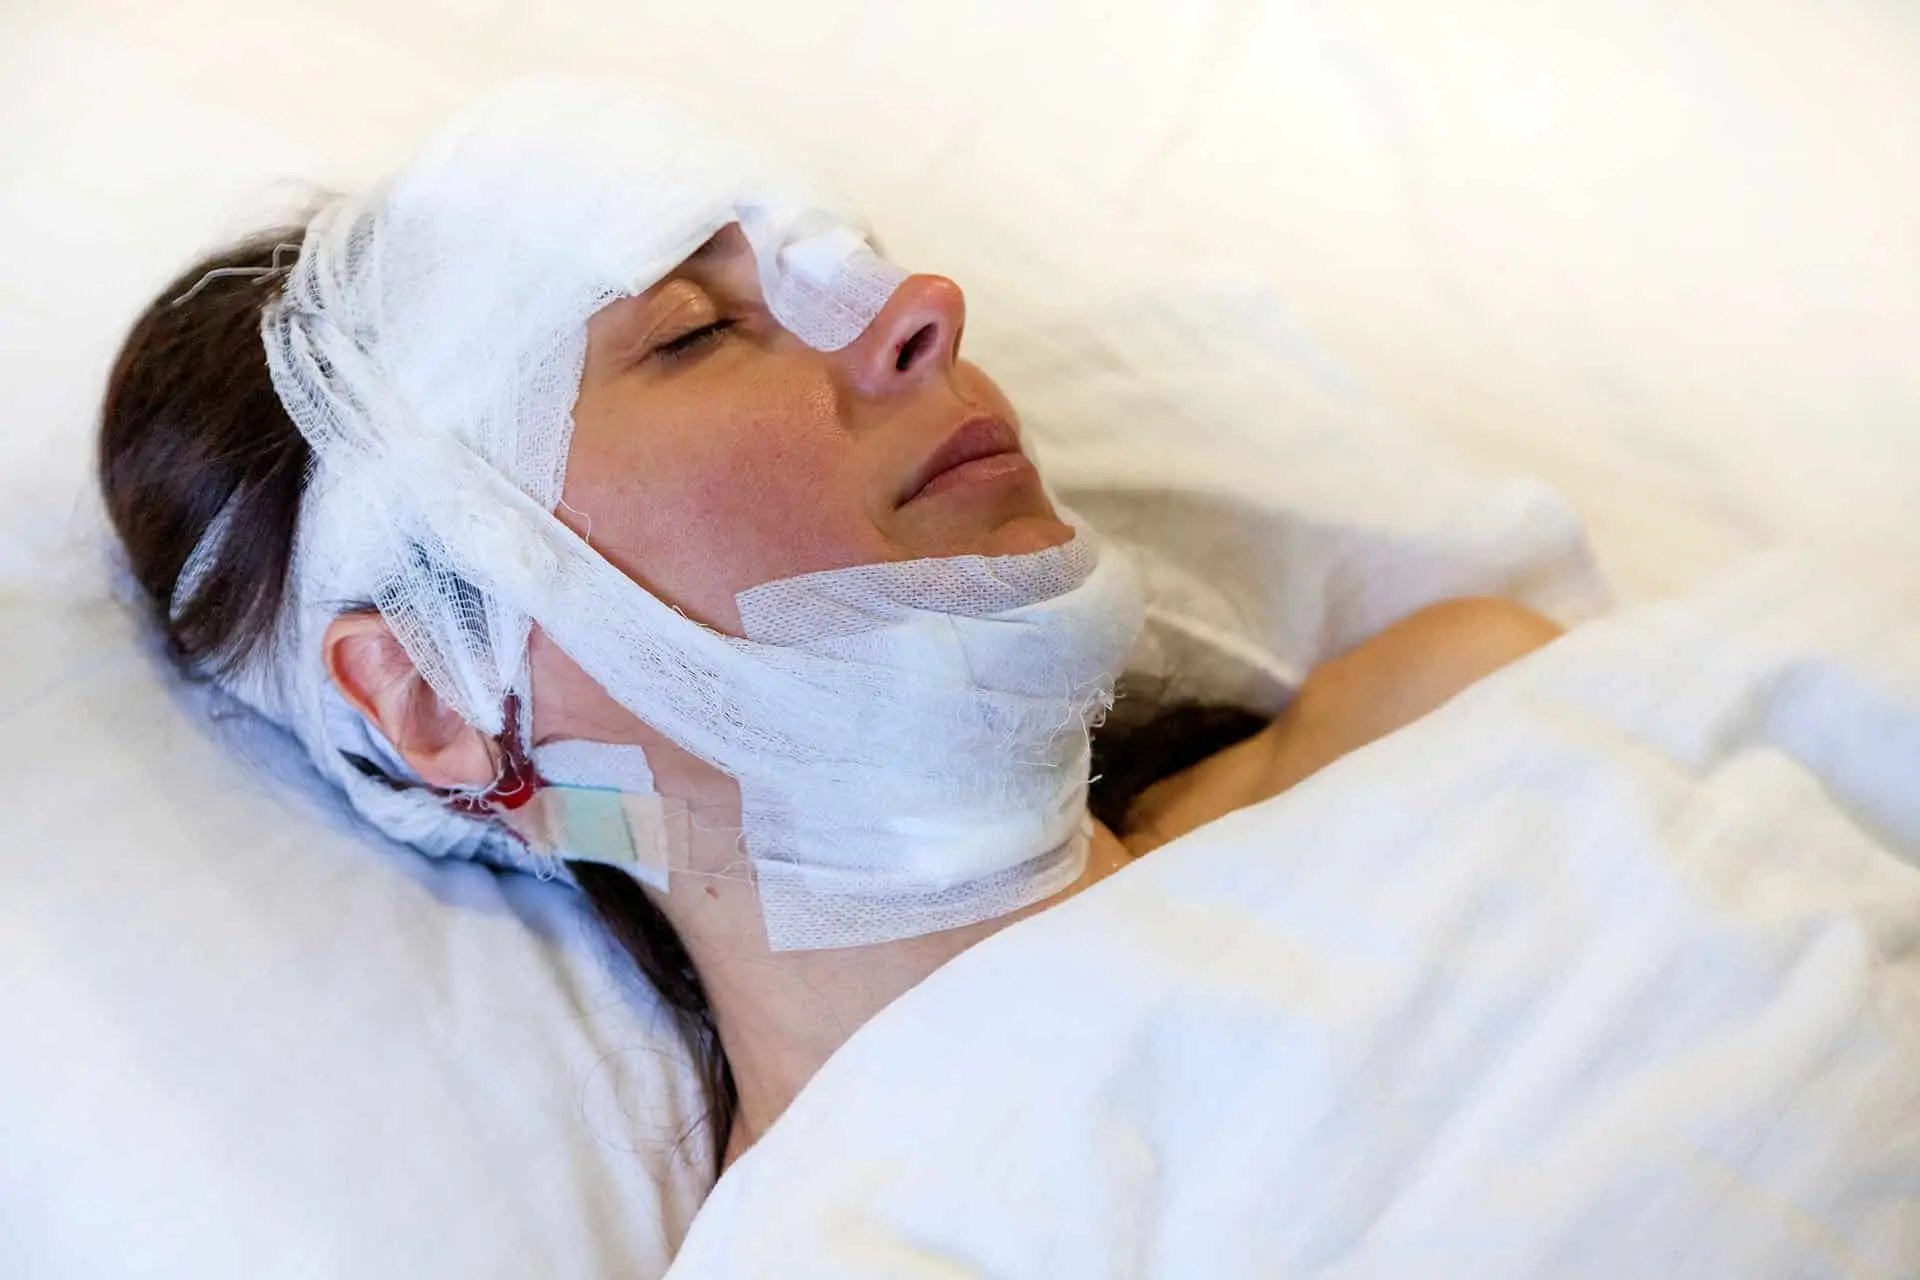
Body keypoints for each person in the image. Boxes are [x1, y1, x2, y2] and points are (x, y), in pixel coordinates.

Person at [98, 110, 1561, 1179]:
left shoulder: (1462, 727)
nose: (921, 309)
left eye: (844, 271)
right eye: (692, 333)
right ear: (437, 696)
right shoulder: (846, 1246)